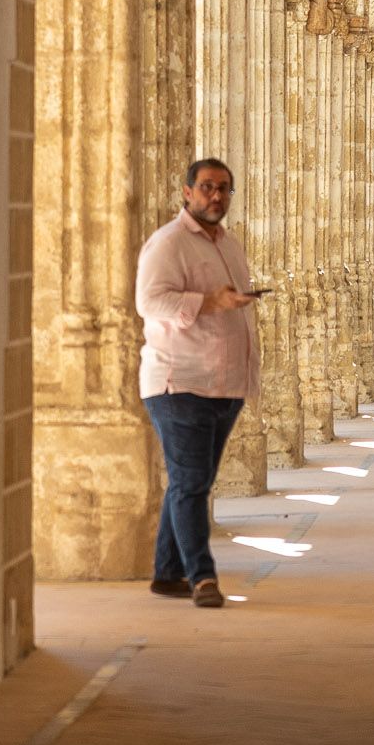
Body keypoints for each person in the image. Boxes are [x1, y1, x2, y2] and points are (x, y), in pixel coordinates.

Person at [136, 157, 262, 607]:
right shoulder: (168, 243)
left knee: (193, 480)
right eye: (207, 187)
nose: (216, 195)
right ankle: (201, 577)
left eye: (224, 188)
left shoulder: (229, 244)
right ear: (187, 192)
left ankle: (167, 573)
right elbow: (149, 301)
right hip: (180, 379)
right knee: (191, 480)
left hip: (224, 382)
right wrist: (209, 301)